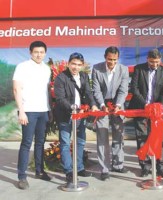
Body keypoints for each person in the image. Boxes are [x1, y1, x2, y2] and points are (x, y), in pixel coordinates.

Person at [13, 41, 52, 190]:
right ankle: (22, 176)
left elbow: (47, 91)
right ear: (30, 52)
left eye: (42, 52)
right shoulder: (22, 67)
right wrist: (21, 111)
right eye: (36, 52)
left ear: (45, 53)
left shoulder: (47, 69)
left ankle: (39, 171)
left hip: (43, 111)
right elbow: (16, 89)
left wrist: (50, 110)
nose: (39, 55)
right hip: (28, 110)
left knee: (41, 143)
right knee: (26, 143)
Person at [54, 52, 98, 184]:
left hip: (80, 116)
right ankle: (68, 171)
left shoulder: (84, 76)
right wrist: (73, 108)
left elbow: (88, 93)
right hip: (65, 116)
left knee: (80, 142)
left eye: (79, 65)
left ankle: (79, 168)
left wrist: (93, 105)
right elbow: (60, 98)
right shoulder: (61, 78)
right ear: (68, 64)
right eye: (73, 64)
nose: (76, 67)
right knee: (65, 143)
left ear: (82, 66)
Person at [128, 49, 163, 178]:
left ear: (160, 60)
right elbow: (134, 89)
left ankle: (160, 166)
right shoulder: (139, 69)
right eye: (152, 62)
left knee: (157, 138)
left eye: (157, 62)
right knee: (142, 137)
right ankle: (145, 166)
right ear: (147, 59)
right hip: (141, 108)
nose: (155, 65)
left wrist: (159, 106)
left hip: (157, 111)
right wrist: (145, 105)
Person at [92, 46, 129, 181]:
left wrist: (118, 105)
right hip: (102, 105)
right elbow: (96, 90)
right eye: (109, 59)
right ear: (105, 57)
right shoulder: (96, 69)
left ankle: (118, 165)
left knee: (118, 135)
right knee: (102, 137)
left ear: (117, 59)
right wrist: (102, 105)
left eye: (114, 60)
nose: (112, 63)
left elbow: (123, 90)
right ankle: (104, 169)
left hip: (117, 105)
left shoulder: (123, 70)